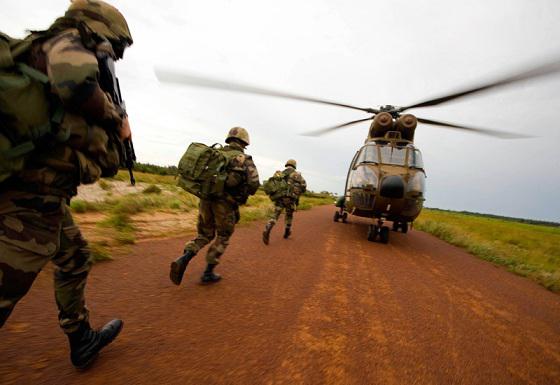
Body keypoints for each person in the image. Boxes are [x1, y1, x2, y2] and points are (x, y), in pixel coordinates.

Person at [0, 0, 133, 369]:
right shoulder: (68, 42)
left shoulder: (37, 57)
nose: (113, 59)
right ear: (101, 32)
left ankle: (81, 339)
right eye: (114, 50)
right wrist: (116, 118)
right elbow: (74, 82)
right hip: (29, 202)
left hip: (41, 197)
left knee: (74, 257)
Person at [170, 127, 260, 285]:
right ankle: (208, 272)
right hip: (225, 204)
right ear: (245, 142)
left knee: (204, 235)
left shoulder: (217, 155)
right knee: (223, 235)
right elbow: (254, 184)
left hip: (206, 200)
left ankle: (185, 257)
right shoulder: (244, 159)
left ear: (229, 140)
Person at [262, 159, 307, 244]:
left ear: (287, 165)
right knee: (289, 215)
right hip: (291, 199)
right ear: (294, 166)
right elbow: (304, 188)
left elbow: (272, 183)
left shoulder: (280, 173)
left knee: (275, 214)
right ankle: (287, 231)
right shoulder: (298, 176)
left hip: (280, 198)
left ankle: (268, 227)